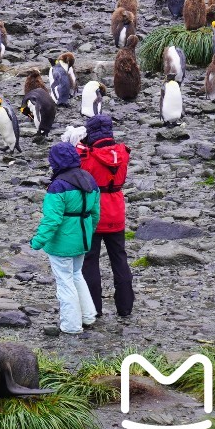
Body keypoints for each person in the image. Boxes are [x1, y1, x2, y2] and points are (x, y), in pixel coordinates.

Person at [30, 141, 100, 335]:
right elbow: (95, 213)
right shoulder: (89, 179)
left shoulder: (58, 186)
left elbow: (52, 220)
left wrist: (37, 241)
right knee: (77, 275)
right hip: (82, 239)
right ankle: (88, 315)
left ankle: (71, 325)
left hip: (62, 243)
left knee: (64, 281)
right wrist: (89, 231)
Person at [79, 114, 134, 319]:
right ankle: (125, 307)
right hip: (116, 210)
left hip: (94, 212)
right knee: (119, 258)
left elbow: (76, 161)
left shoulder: (86, 156)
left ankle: (94, 309)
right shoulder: (123, 153)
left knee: (90, 260)